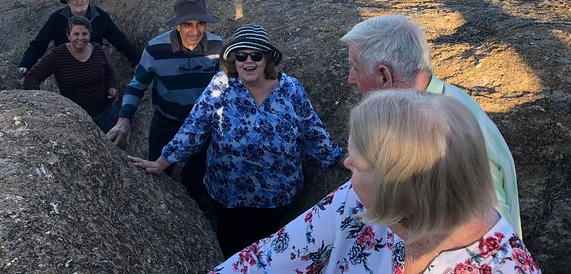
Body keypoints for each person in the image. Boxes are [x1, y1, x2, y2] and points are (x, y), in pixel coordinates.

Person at [211, 90, 541, 273]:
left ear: (399, 184)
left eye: (358, 163)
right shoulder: (356, 200)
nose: (347, 164)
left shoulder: (504, 267)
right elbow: (268, 258)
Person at [129, 24, 344, 257]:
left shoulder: (290, 89)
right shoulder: (221, 85)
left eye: (256, 55)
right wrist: (162, 162)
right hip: (228, 191)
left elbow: (311, 130)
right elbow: (194, 127)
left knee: (267, 249)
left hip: (276, 193)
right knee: (230, 245)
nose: (248, 61)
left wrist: (339, 157)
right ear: (233, 60)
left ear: (267, 59)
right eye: (241, 55)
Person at [340, 14, 522, 237]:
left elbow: (492, 236)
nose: (350, 79)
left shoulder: (450, 137)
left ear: (384, 76)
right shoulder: (433, 106)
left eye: (355, 68)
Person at [106, 0, 223, 202]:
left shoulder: (217, 46)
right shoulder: (156, 49)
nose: (195, 31)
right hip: (166, 121)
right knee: (157, 173)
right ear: (178, 25)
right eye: (188, 24)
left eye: (200, 24)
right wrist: (124, 119)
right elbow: (137, 85)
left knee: (196, 179)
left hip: (201, 126)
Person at [18, 0, 139, 74]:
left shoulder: (101, 16)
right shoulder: (56, 19)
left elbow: (119, 40)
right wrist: (25, 64)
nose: (79, 1)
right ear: (67, 1)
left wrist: (136, 62)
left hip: (93, 65)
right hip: (66, 67)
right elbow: (39, 43)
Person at [24, 16, 118, 133]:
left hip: (105, 113)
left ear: (90, 34)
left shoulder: (97, 49)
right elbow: (32, 77)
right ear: (68, 35)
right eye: (76, 34)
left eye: (84, 34)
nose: (80, 38)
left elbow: (108, 71)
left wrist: (112, 87)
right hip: (77, 119)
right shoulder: (57, 56)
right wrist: (40, 101)